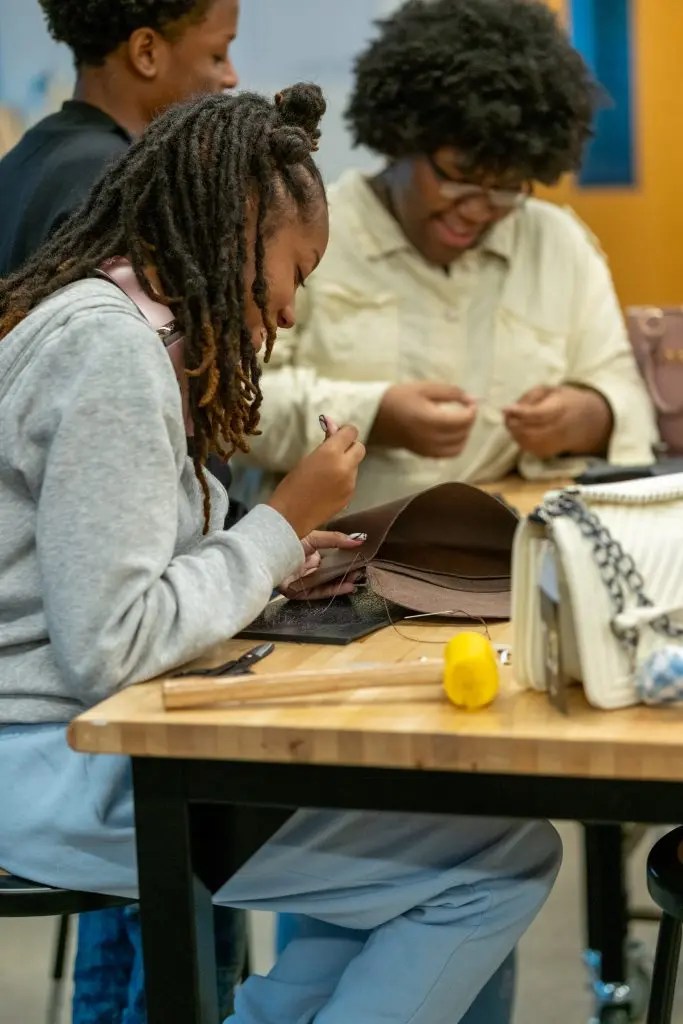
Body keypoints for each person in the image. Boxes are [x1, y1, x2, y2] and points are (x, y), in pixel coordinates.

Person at [0, 85, 561, 1024]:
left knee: (412, 860)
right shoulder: (109, 356)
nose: (292, 311)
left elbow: (136, 574)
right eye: (295, 271)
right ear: (236, 235)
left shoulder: (128, 333)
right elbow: (110, 645)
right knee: (498, 862)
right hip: (45, 765)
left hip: (76, 741)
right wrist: (278, 522)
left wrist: (278, 556)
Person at [0, 1, 241, 1018]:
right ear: (145, 50)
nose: (231, 77)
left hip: (54, 676)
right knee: (169, 915)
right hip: (62, 709)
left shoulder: (30, 162)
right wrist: (261, 536)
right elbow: (107, 614)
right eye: (218, 51)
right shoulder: (117, 215)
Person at [234, 0, 657, 515]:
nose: (478, 209)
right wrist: (375, 415)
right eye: (457, 177)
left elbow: (630, 398)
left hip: (513, 545)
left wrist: (592, 415)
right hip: (336, 553)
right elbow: (233, 405)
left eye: (505, 188)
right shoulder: (304, 234)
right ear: (400, 139)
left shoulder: (559, 245)